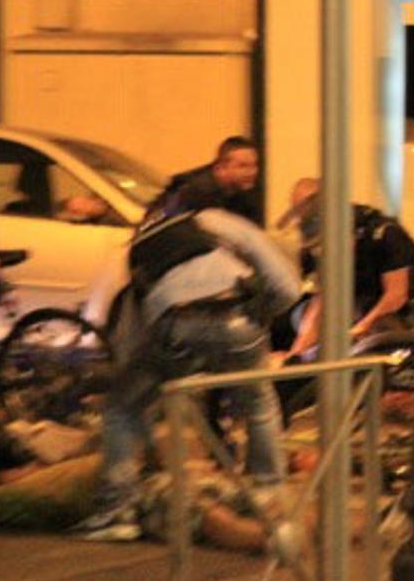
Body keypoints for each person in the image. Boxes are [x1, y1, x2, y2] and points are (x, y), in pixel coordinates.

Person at [74, 207, 302, 540]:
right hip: (238, 316)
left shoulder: (139, 252)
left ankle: (117, 512)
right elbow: (288, 288)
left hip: (175, 325)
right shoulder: (217, 221)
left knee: (123, 409)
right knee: (257, 403)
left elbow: (129, 335)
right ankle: (269, 493)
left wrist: (132, 383)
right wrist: (262, 314)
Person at [280, 180, 414, 360]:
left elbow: (396, 295)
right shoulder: (316, 246)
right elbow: (320, 301)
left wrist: (360, 328)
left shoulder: (385, 234)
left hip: (396, 315)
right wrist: (296, 353)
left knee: (375, 333)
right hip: (353, 308)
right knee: (299, 315)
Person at [147, 136, 263, 226]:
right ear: (221, 168)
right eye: (243, 166)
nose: (252, 172)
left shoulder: (244, 195)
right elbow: (161, 221)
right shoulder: (193, 193)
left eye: (254, 166)